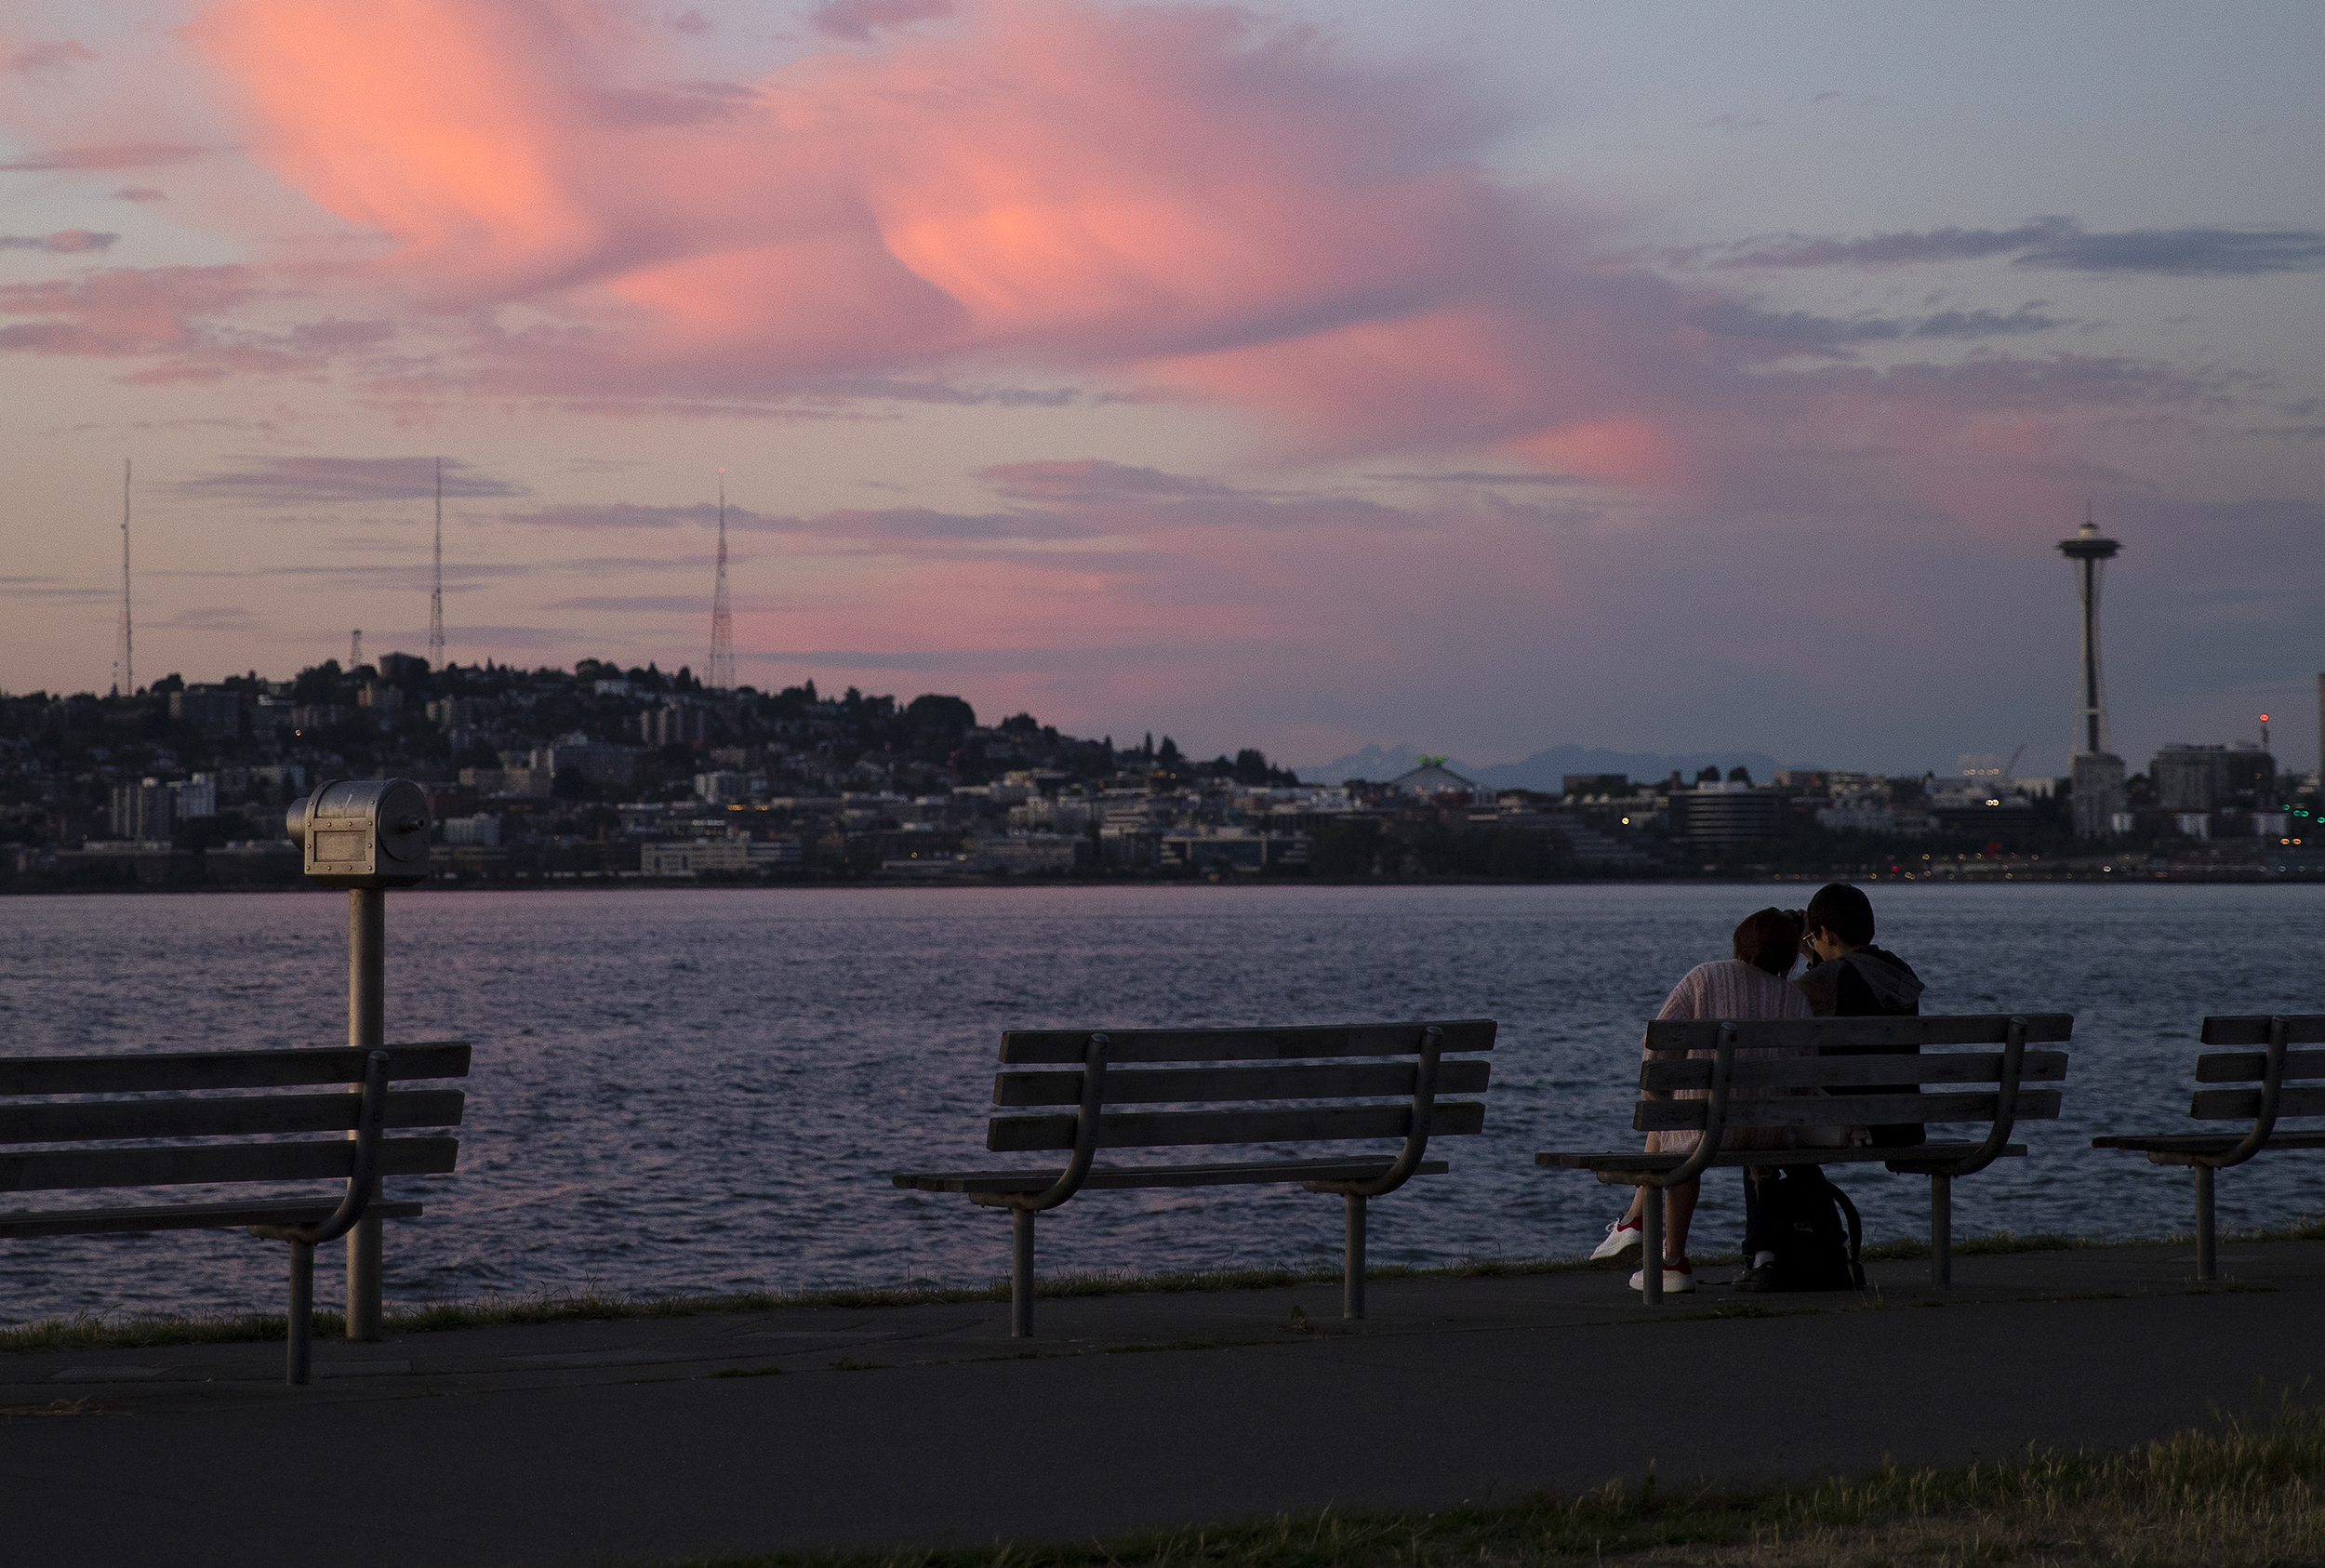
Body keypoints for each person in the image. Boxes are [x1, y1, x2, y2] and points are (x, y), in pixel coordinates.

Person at [1589, 908, 1814, 1295]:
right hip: (1773, 1135)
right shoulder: (1795, 1000)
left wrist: (1660, 1100)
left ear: (1739, 943)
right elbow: (1805, 1077)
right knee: (1679, 1121)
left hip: (1705, 1132)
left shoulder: (1704, 977)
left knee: (1676, 1123)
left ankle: (1665, 1253)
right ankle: (1638, 1230)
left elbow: (1657, 1054)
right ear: (1791, 955)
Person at [1731, 882, 1926, 1292]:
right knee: (1786, 1129)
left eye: (1814, 936)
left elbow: (1782, 1016)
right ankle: (1828, 1248)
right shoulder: (1899, 974)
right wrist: (1813, 950)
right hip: (1903, 1123)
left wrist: (1804, 956)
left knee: (1762, 1128)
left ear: (1826, 936)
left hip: (1849, 1126)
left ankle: (1762, 1256)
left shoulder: (1823, 982)